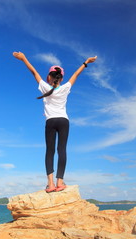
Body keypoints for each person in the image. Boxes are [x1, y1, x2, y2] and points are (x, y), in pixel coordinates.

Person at [13, 51, 97, 192]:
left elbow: (34, 72)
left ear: (49, 77)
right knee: (62, 150)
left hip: (50, 122)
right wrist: (86, 63)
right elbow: (76, 75)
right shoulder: (65, 88)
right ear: (61, 78)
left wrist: (23, 58)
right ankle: (60, 182)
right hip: (64, 121)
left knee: (50, 151)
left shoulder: (45, 87)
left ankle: (50, 184)